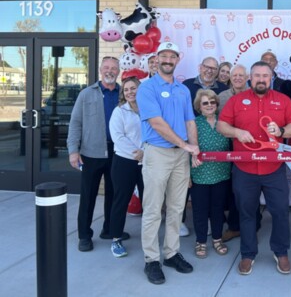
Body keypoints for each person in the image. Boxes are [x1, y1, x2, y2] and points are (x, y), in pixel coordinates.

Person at [217, 61, 291, 276]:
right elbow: (221, 125)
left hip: (274, 169)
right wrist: (237, 132)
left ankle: (281, 252)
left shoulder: (283, 100)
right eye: (257, 76)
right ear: (249, 79)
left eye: (265, 75)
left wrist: (281, 130)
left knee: (281, 211)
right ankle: (247, 254)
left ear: (271, 77)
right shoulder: (235, 101)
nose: (261, 79)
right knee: (246, 213)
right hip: (244, 170)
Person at [136, 42, 200, 285]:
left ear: (177, 60)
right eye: (164, 55)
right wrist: (186, 146)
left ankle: (171, 253)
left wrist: (193, 150)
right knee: (153, 209)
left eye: (172, 56)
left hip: (180, 157)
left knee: (176, 208)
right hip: (158, 154)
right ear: (156, 58)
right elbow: (157, 123)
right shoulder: (147, 88)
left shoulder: (183, 90)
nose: (168, 60)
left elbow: (190, 123)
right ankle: (151, 260)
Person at [68, 56, 124, 252]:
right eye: (106, 67)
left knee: (114, 194)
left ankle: (109, 229)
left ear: (119, 71)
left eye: (114, 68)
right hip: (91, 153)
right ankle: (84, 235)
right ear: (101, 70)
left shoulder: (123, 94)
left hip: (117, 153)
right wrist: (73, 151)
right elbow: (75, 123)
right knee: (88, 196)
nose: (110, 71)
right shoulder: (86, 94)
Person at [181, 56, 228, 236]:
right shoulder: (186, 85)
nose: (210, 71)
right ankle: (183, 225)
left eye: (213, 68)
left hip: (219, 169)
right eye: (206, 67)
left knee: (217, 204)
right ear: (200, 67)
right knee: (194, 197)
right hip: (190, 146)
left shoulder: (222, 89)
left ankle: (215, 232)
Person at [190, 89, 231, 258]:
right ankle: (200, 242)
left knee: (217, 209)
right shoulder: (194, 123)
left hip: (221, 174)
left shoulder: (224, 122)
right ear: (199, 106)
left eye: (212, 102)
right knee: (199, 210)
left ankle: (217, 239)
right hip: (200, 174)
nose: (209, 105)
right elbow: (187, 148)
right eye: (205, 103)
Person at [108, 76, 145, 258]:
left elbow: (155, 132)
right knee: (121, 201)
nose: (130, 92)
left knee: (150, 201)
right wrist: (136, 151)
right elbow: (118, 137)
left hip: (147, 161)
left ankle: (149, 239)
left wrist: (144, 151)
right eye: (126, 89)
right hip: (124, 161)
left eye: (133, 88)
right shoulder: (119, 112)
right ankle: (116, 239)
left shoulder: (148, 109)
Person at [218, 64, 250, 242]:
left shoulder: (254, 95)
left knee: (245, 189)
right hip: (226, 147)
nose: (237, 78)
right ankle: (234, 226)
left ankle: (251, 223)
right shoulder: (221, 97)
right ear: (230, 77)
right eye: (234, 75)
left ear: (247, 77)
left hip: (248, 147)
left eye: (241, 75)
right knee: (230, 187)